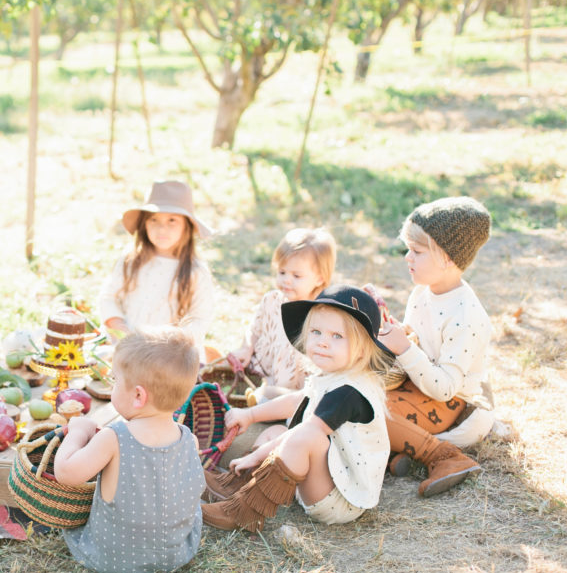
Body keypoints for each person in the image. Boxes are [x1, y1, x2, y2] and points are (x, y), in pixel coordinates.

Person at [202, 285, 394, 531]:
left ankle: (246, 511)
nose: (323, 343)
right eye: (316, 332)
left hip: (340, 498)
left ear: (362, 350)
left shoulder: (349, 391)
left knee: (305, 434)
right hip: (325, 475)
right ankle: (238, 486)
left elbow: (305, 432)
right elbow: (296, 400)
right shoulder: (331, 376)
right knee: (277, 433)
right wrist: (250, 414)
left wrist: (254, 456)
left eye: (337, 336)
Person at [54, 326, 205, 573]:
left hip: (114, 561)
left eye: (114, 381)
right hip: (178, 554)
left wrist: (78, 431)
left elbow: (67, 473)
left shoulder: (114, 437)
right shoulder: (189, 439)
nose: (112, 386)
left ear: (138, 395)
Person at [376, 196, 492, 497]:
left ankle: (448, 459)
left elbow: (446, 388)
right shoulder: (422, 293)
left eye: (416, 251)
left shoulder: (465, 316)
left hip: (452, 403)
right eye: (407, 249)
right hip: (417, 386)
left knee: (371, 410)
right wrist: (394, 331)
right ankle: (400, 453)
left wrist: (404, 348)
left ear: (448, 258)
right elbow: (416, 341)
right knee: (356, 392)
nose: (406, 257)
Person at [97, 180, 215, 357]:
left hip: (171, 355)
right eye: (154, 219)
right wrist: (121, 330)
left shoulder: (196, 271)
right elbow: (108, 297)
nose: (162, 228)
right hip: (128, 345)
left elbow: (200, 318)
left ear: (187, 226)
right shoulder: (131, 259)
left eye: (172, 221)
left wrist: (171, 341)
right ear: (144, 223)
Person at [228, 227, 336, 402]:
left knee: (290, 399)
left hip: (292, 387)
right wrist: (247, 348)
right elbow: (254, 329)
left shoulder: (320, 315)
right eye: (282, 272)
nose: (286, 280)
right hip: (261, 372)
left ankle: (275, 403)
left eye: (296, 276)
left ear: (319, 279)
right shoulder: (272, 300)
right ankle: (258, 394)